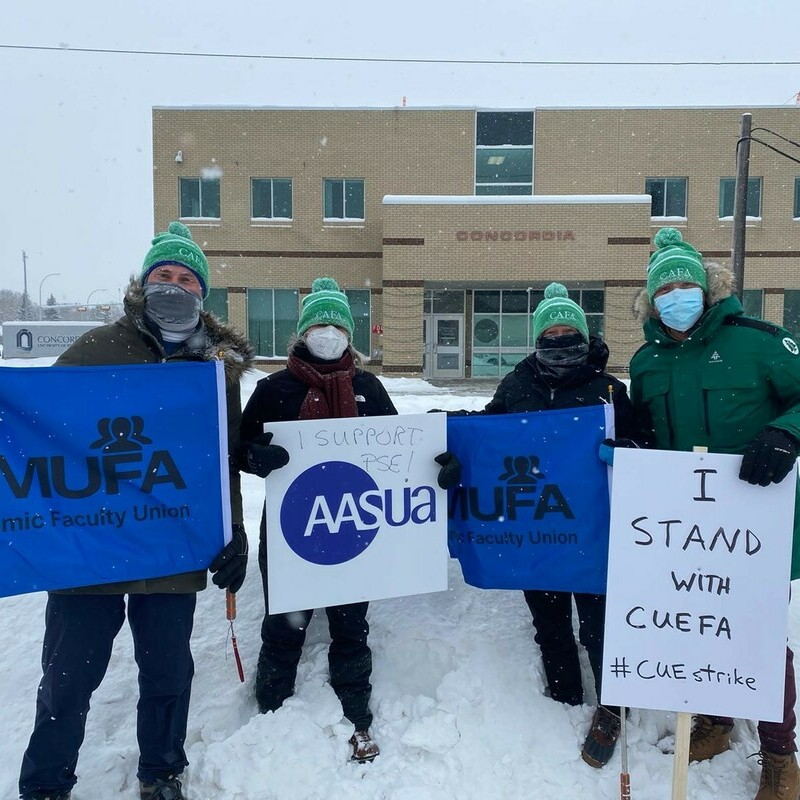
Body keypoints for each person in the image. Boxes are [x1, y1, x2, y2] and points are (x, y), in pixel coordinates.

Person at [18, 221, 254, 800]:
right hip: (92, 546)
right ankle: (45, 784)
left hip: (169, 542)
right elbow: (39, 429)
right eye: (162, 275)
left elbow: (217, 463)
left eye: (185, 278)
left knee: (169, 674)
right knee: (69, 678)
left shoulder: (214, 370)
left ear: (202, 294)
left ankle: (161, 773)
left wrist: (233, 533)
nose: (173, 286)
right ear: (142, 284)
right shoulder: (96, 350)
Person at [238, 277, 460, 764]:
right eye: (318, 323)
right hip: (291, 530)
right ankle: (269, 715)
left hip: (356, 528)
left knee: (349, 625)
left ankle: (357, 717)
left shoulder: (367, 386)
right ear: (301, 332)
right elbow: (238, 448)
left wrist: (437, 462)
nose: (328, 332)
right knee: (283, 625)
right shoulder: (275, 389)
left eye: (336, 323)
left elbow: (401, 449)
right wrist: (256, 457)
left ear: (349, 332)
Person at [630, 227, 800, 800]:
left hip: (753, 521)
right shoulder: (647, 360)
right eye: (664, 288)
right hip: (684, 528)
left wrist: (785, 431)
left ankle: (780, 754)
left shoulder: (758, 341)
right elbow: (642, 433)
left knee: (756, 632)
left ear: (708, 289)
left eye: (686, 284)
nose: (676, 294)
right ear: (651, 301)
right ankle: (716, 720)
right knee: (696, 623)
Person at [449, 282, 643, 768]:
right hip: (537, 529)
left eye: (568, 331)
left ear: (583, 334)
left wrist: (629, 453)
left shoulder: (608, 390)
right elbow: (488, 437)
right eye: (550, 332)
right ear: (538, 337)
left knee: (599, 626)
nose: (559, 340)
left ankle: (612, 707)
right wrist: (448, 435)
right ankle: (562, 695)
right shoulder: (516, 385)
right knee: (550, 622)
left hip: (593, 533)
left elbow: (646, 442)